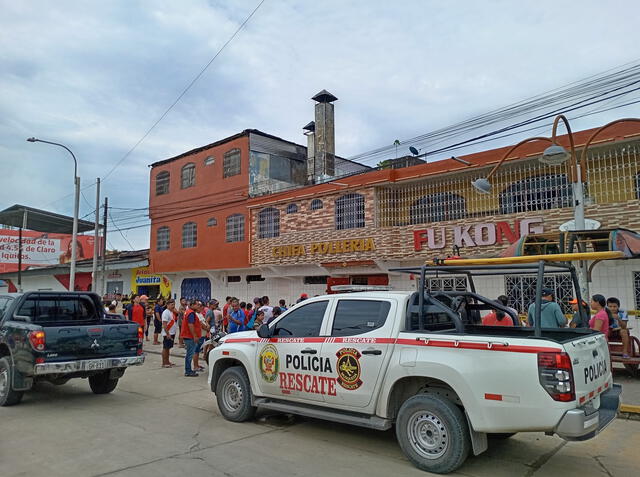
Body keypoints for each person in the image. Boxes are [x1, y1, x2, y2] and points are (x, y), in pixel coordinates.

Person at [181, 300, 202, 377]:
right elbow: (190, 325)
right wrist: (195, 336)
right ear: (192, 305)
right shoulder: (191, 313)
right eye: (197, 305)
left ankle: (188, 369)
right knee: (190, 354)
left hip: (187, 336)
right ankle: (188, 371)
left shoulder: (188, 311)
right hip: (189, 337)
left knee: (189, 354)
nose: (198, 306)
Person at [161, 299, 178, 368]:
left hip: (172, 332)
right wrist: (167, 333)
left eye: (174, 304)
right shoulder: (165, 312)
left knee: (168, 348)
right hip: (167, 333)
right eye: (171, 305)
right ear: (167, 305)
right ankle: (164, 362)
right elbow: (164, 324)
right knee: (165, 348)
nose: (173, 306)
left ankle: (167, 361)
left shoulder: (172, 312)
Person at [193, 300, 210, 372]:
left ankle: (197, 364)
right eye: (199, 305)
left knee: (198, 350)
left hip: (202, 334)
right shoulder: (195, 314)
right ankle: (195, 366)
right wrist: (206, 328)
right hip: (199, 335)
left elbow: (205, 321)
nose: (201, 307)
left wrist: (207, 325)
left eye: (201, 306)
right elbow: (200, 324)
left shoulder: (200, 314)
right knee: (196, 351)